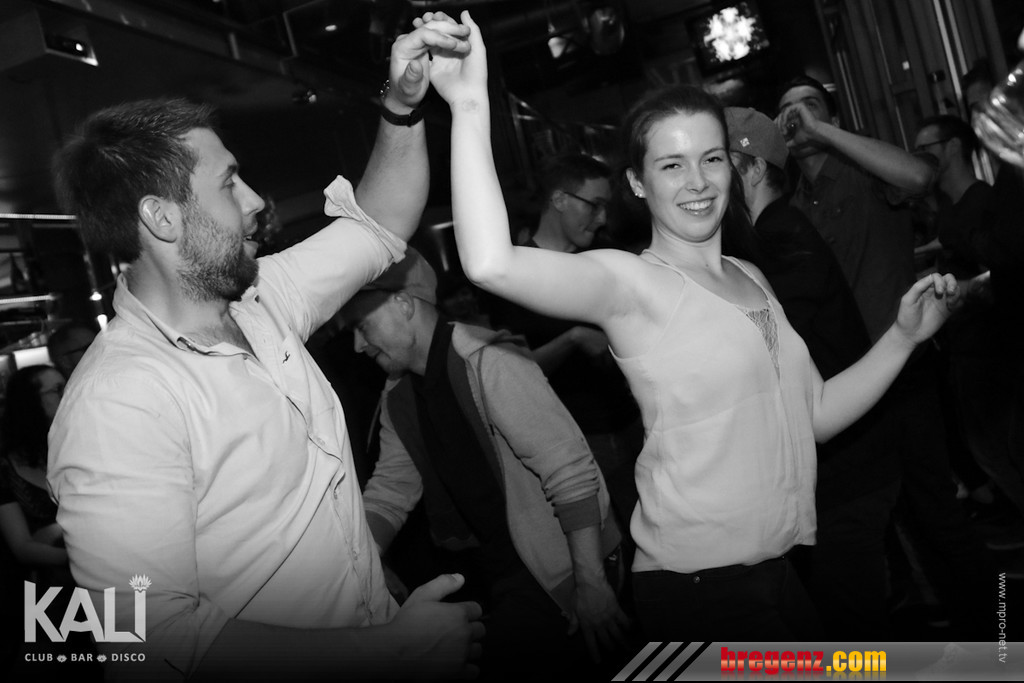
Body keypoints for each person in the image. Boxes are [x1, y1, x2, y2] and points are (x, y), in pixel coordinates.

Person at [427, 11, 961, 641]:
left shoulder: (750, 276)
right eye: (672, 165)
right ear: (636, 182)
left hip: (779, 572)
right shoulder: (631, 283)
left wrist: (902, 337)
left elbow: (813, 413)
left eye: (711, 158)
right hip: (701, 590)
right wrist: (468, 105)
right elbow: (489, 263)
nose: (699, 181)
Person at [46, 13, 484, 680]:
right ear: (161, 217)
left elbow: (381, 223)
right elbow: (145, 640)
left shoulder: (261, 298)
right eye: (228, 183)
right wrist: (389, 649)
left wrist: (402, 104)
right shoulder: (118, 404)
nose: (254, 200)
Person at [343, 248, 629, 679]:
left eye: (362, 326)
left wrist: (590, 582)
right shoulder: (399, 395)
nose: (358, 345)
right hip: (499, 574)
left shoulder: (488, 360)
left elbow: (569, 470)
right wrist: (359, 560)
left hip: (565, 566)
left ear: (403, 303)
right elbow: (391, 490)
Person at [779, 75, 992, 639]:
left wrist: (823, 131)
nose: (797, 116)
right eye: (787, 110)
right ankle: (945, 625)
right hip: (849, 387)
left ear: (832, 117)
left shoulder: (866, 171)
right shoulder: (792, 204)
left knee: (936, 512)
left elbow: (920, 177)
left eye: (810, 106)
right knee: (883, 519)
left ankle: (998, 638)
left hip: (904, 371)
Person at [724, 106, 899, 639]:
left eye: (715, 160)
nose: (703, 180)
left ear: (753, 167)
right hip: (847, 467)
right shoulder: (775, 234)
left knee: (855, 636)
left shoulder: (779, 240)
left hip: (846, 473)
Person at [484, 153, 642, 539]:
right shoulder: (515, 274)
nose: (601, 218)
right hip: (574, 440)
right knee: (611, 540)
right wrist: (572, 339)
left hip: (635, 420)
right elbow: (513, 375)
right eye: (594, 205)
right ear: (559, 199)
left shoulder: (606, 258)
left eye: (605, 208)